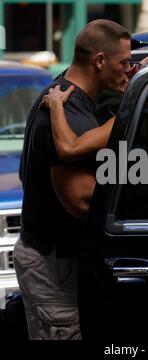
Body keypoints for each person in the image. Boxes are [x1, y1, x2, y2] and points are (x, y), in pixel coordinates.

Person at [13, 19, 133, 340]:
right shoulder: (67, 111)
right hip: (54, 265)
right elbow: (81, 202)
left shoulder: (62, 96)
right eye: (124, 62)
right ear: (99, 61)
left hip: (54, 258)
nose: (128, 69)